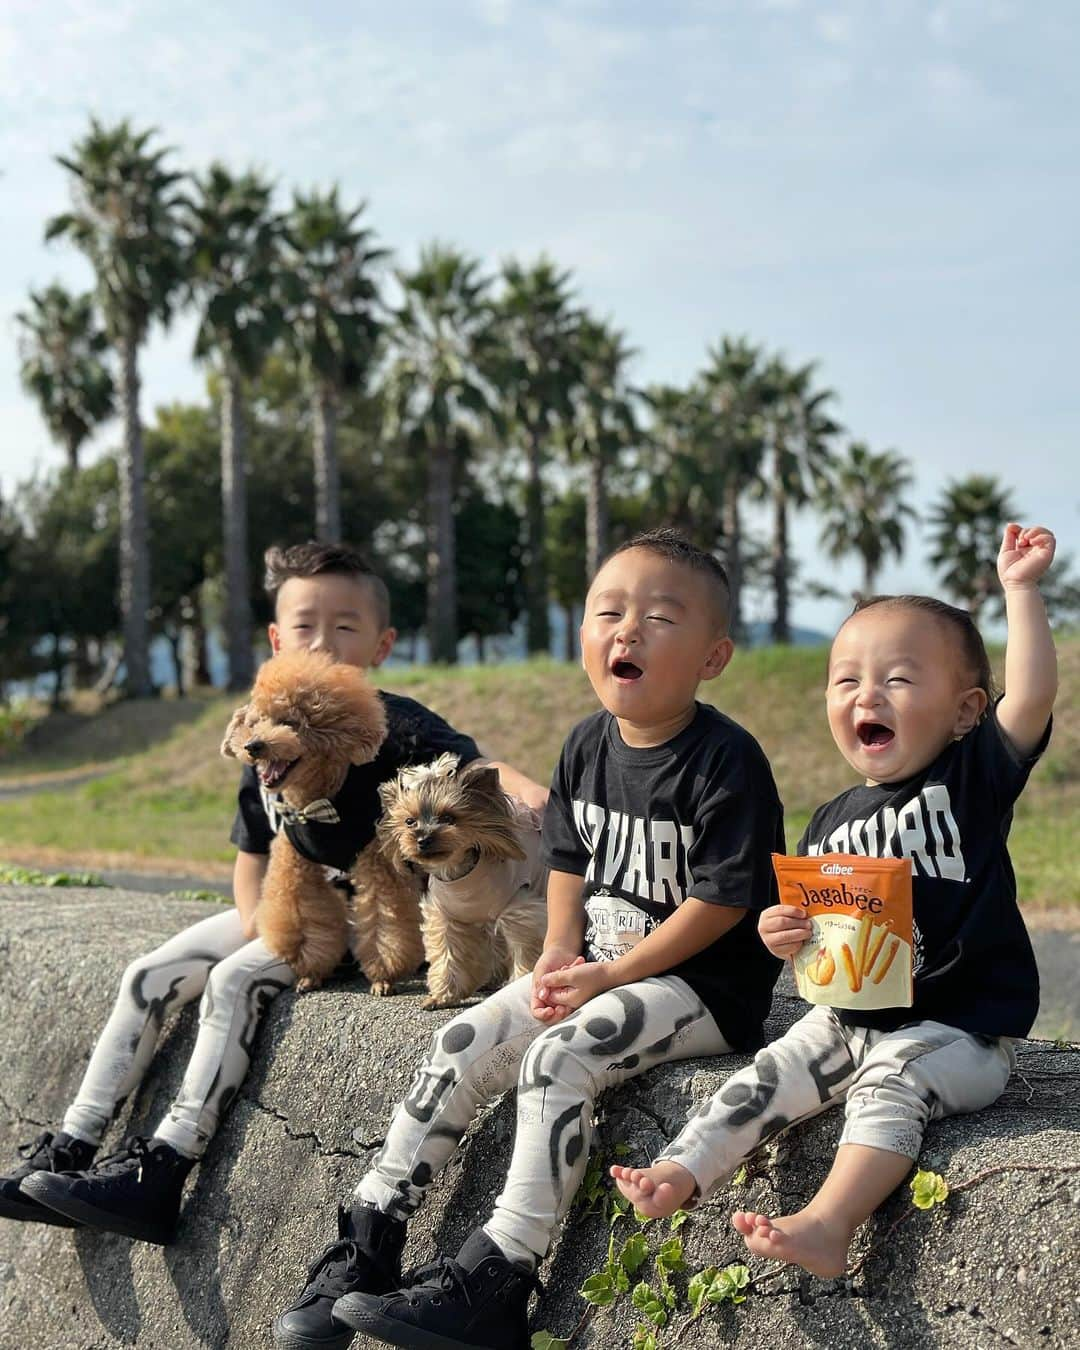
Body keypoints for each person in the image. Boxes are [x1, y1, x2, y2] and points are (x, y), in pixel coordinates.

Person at [273, 527, 785, 1350]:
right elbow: (569, 862)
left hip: (699, 988)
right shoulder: (587, 743)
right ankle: (368, 1239)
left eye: (661, 617)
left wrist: (609, 973)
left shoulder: (726, 761)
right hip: (602, 969)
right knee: (464, 1036)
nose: (628, 630)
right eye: (609, 611)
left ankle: (499, 1277)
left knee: (556, 1060)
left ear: (714, 656)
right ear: (582, 634)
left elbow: (721, 905)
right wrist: (558, 950)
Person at [1, 541, 546, 1246]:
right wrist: (264, 924)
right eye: (305, 624)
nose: (324, 640)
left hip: (369, 924)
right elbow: (252, 853)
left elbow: (476, 768)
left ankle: (162, 1171)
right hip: (286, 908)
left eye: (346, 626)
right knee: (150, 972)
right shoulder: (263, 730)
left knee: (234, 981)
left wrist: (537, 793)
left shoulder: (397, 724)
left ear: (382, 643)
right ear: (275, 638)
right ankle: (72, 1145)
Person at [611, 523, 1058, 1280]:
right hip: (849, 1014)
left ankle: (828, 1221)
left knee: (893, 1082)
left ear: (966, 710)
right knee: (771, 1067)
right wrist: (785, 931)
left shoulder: (971, 778)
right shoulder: (833, 818)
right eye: (846, 680)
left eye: (898, 679)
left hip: (957, 1029)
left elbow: (1036, 694)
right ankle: (683, 1170)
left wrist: (1020, 591)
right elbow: (820, 931)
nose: (866, 695)